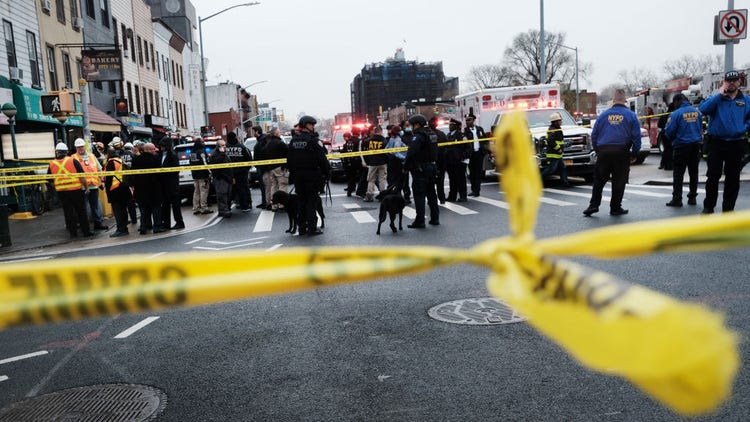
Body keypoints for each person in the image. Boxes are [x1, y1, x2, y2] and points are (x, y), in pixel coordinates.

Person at [583, 88, 641, 217]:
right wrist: (635, 153)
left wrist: (598, 150)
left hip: (604, 151)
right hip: (621, 152)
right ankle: (615, 207)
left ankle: (593, 205)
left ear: (613, 101)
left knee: (599, 180)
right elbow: (636, 136)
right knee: (619, 180)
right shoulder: (631, 116)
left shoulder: (603, 115)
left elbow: (594, 134)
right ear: (625, 101)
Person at [698, 70, 750, 214]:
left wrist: (743, 127)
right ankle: (708, 206)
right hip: (717, 143)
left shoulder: (745, 100)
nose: (731, 83)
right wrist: (719, 95)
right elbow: (703, 109)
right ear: (724, 82)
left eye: (734, 80)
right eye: (728, 81)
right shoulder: (716, 98)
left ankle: (728, 209)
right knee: (713, 176)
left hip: (736, 143)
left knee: (733, 178)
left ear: (739, 82)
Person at [286, 116, 330, 236]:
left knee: (301, 201)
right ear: (306, 125)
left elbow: (289, 160)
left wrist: (293, 175)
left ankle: (301, 227)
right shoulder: (313, 141)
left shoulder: (293, 141)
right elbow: (322, 159)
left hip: (298, 176)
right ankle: (312, 228)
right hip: (311, 175)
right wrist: (327, 173)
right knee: (311, 201)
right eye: (311, 125)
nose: (313, 127)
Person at [662, 93, 702, 207]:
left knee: (678, 174)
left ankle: (677, 199)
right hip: (695, 146)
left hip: (681, 147)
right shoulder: (697, 112)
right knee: (694, 173)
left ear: (677, 102)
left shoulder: (676, 114)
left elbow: (669, 132)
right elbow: (700, 128)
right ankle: (692, 197)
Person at [47, 142, 93, 238]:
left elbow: (50, 181)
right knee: (81, 211)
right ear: (67, 151)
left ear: (57, 152)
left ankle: (73, 233)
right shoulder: (73, 160)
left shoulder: (52, 164)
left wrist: (59, 186)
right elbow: (82, 176)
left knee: (68, 212)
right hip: (76, 190)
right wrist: (86, 187)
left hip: (62, 192)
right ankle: (86, 232)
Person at [404, 114, 439, 228]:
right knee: (431, 193)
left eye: (412, 125)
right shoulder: (431, 133)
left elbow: (411, 153)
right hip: (432, 167)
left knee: (419, 195)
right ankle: (435, 218)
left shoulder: (418, 136)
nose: (411, 128)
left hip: (421, 169)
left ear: (417, 124)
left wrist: (405, 166)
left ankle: (420, 220)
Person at [72, 138, 107, 231]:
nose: (80, 149)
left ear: (85, 146)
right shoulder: (73, 158)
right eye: (78, 147)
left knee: (94, 206)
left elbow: (99, 170)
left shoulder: (92, 156)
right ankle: (84, 225)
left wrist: (102, 181)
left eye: (82, 146)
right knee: (81, 207)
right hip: (81, 187)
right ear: (76, 148)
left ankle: (97, 223)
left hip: (93, 186)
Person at [131, 142, 165, 234]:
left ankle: (143, 227)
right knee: (156, 208)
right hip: (154, 188)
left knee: (143, 209)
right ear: (150, 150)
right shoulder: (156, 158)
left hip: (140, 188)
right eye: (153, 149)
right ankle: (157, 227)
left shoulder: (136, 159)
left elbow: (132, 173)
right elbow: (160, 174)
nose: (155, 151)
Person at [104, 147, 131, 237]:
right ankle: (124, 228)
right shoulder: (120, 160)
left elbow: (108, 178)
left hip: (115, 190)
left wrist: (107, 191)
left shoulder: (111, 162)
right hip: (124, 188)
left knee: (118, 211)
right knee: (123, 210)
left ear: (107, 154)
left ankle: (121, 229)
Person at [158, 138, 185, 229]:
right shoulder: (161, 155)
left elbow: (175, 170)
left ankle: (179, 222)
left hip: (172, 185)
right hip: (164, 185)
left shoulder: (172, 155)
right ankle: (166, 223)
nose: (161, 147)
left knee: (175, 205)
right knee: (165, 205)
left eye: (163, 145)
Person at [540, 112, 571, 187]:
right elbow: (550, 141)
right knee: (551, 169)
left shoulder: (557, 128)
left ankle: (565, 183)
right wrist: (558, 149)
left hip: (558, 154)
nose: (561, 122)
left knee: (562, 168)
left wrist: (564, 145)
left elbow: (558, 140)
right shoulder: (553, 130)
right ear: (555, 122)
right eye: (559, 120)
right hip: (554, 154)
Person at [263, 127, 289, 210]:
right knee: (282, 185)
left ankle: (274, 205)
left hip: (271, 168)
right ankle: (282, 204)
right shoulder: (280, 143)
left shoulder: (268, 144)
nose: (280, 133)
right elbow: (287, 153)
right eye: (279, 132)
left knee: (273, 186)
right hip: (280, 167)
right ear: (276, 133)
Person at [225, 131, 253, 212]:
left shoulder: (225, 148)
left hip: (228, 173)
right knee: (243, 189)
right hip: (241, 173)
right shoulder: (242, 147)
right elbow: (249, 159)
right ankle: (245, 206)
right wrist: (246, 170)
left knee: (229, 191)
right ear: (235, 137)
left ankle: (227, 208)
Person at [444, 118, 469, 202]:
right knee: (452, 180)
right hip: (450, 162)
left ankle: (463, 196)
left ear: (456, 126)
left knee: (461, 180)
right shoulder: (448, 135)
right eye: (449, 125)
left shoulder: (461, 135)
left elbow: (468, 148)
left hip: (459, 162)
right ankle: (452, 196)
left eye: (451, 125)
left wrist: (462, 157)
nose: (449, 126)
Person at [464, 114, 488, 197]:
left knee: (478, 173)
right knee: (472, 173)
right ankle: (473, 189)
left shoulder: (479, 129)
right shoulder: (465, 131)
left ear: (473, 120)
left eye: (469, 120)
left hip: (479, 153)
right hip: (471, 154)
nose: (467, 122)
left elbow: (485, 140)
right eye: (466, 120)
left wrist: (485, 151)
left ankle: (477, 190)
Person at [362, 125, 387, 202]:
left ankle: (369, 195)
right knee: (382, 179)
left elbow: (363, 147)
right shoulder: (384, 140)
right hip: (382, 162)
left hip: (372, 162)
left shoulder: (369, 140)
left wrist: (366, 160)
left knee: (371, 179)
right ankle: (382, 194)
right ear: (381, 131)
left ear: (375, 131)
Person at [210, 139, 234, 218]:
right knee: (222, 195)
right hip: (221, 178)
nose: (225, 147)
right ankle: (223, 210)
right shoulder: (215, 154)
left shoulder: (224, 154)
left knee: (227, 195)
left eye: (225, 145)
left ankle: (226, 209)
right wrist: (222, 153)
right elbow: (217, 163)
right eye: (223, 145)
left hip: (227, 178)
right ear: (218, 147)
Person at [189, 137, 213, 215]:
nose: (204, 143)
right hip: (203, 175)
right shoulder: (202, 152)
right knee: (203, 191)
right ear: (200, 143)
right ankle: (204, 208)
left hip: (195, 175)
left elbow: (192, 163)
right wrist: (209, 172)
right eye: (202, 142)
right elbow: (205, 163)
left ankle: (195, 208)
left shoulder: (193, 152)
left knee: (196, 192)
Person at [429, 116, 449, 204]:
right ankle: (442, 198)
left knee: (430, 182)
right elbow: (447, 147)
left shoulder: (427, 134)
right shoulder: (441, 134)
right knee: (440, 182)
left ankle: (432, 200)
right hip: (440, 161)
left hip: (431, 161)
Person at [384, 125, 407, 195]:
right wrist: (405, 158)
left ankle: (390, 194)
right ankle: (396, 195)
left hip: (391, 162)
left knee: (391, 180)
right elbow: (396, 153)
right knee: (398, 181)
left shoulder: (391, 139)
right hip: (397, 163)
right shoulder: (397, 140)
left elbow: (386, 149)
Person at [252, 126, 268, 208]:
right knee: (262, 186)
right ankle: (264, 202)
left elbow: (263, 153)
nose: (253, 133)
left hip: (262, 167)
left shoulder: (263, 140)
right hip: (260, 166)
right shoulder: (260, 140)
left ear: (257, 132)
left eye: (254, 131)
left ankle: (266, 202)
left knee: (264, 185)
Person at [657, 102, 675, 171]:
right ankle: (669, 165)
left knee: (666, 149)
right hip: (670, 133)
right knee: (671, 150)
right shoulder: (674, 115)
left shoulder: (664, 114)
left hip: (663, 133)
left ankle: (663, 164)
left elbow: (659, 125)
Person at [341, 132, 360, 196]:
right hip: (355, 161)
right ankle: (352, 188)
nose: (344, 138)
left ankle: (350, 190)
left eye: (344, 137)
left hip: (349, 162)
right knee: (353, 176)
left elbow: (345, 151)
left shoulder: (348, 143)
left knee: (351, 177)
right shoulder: (357, 141)